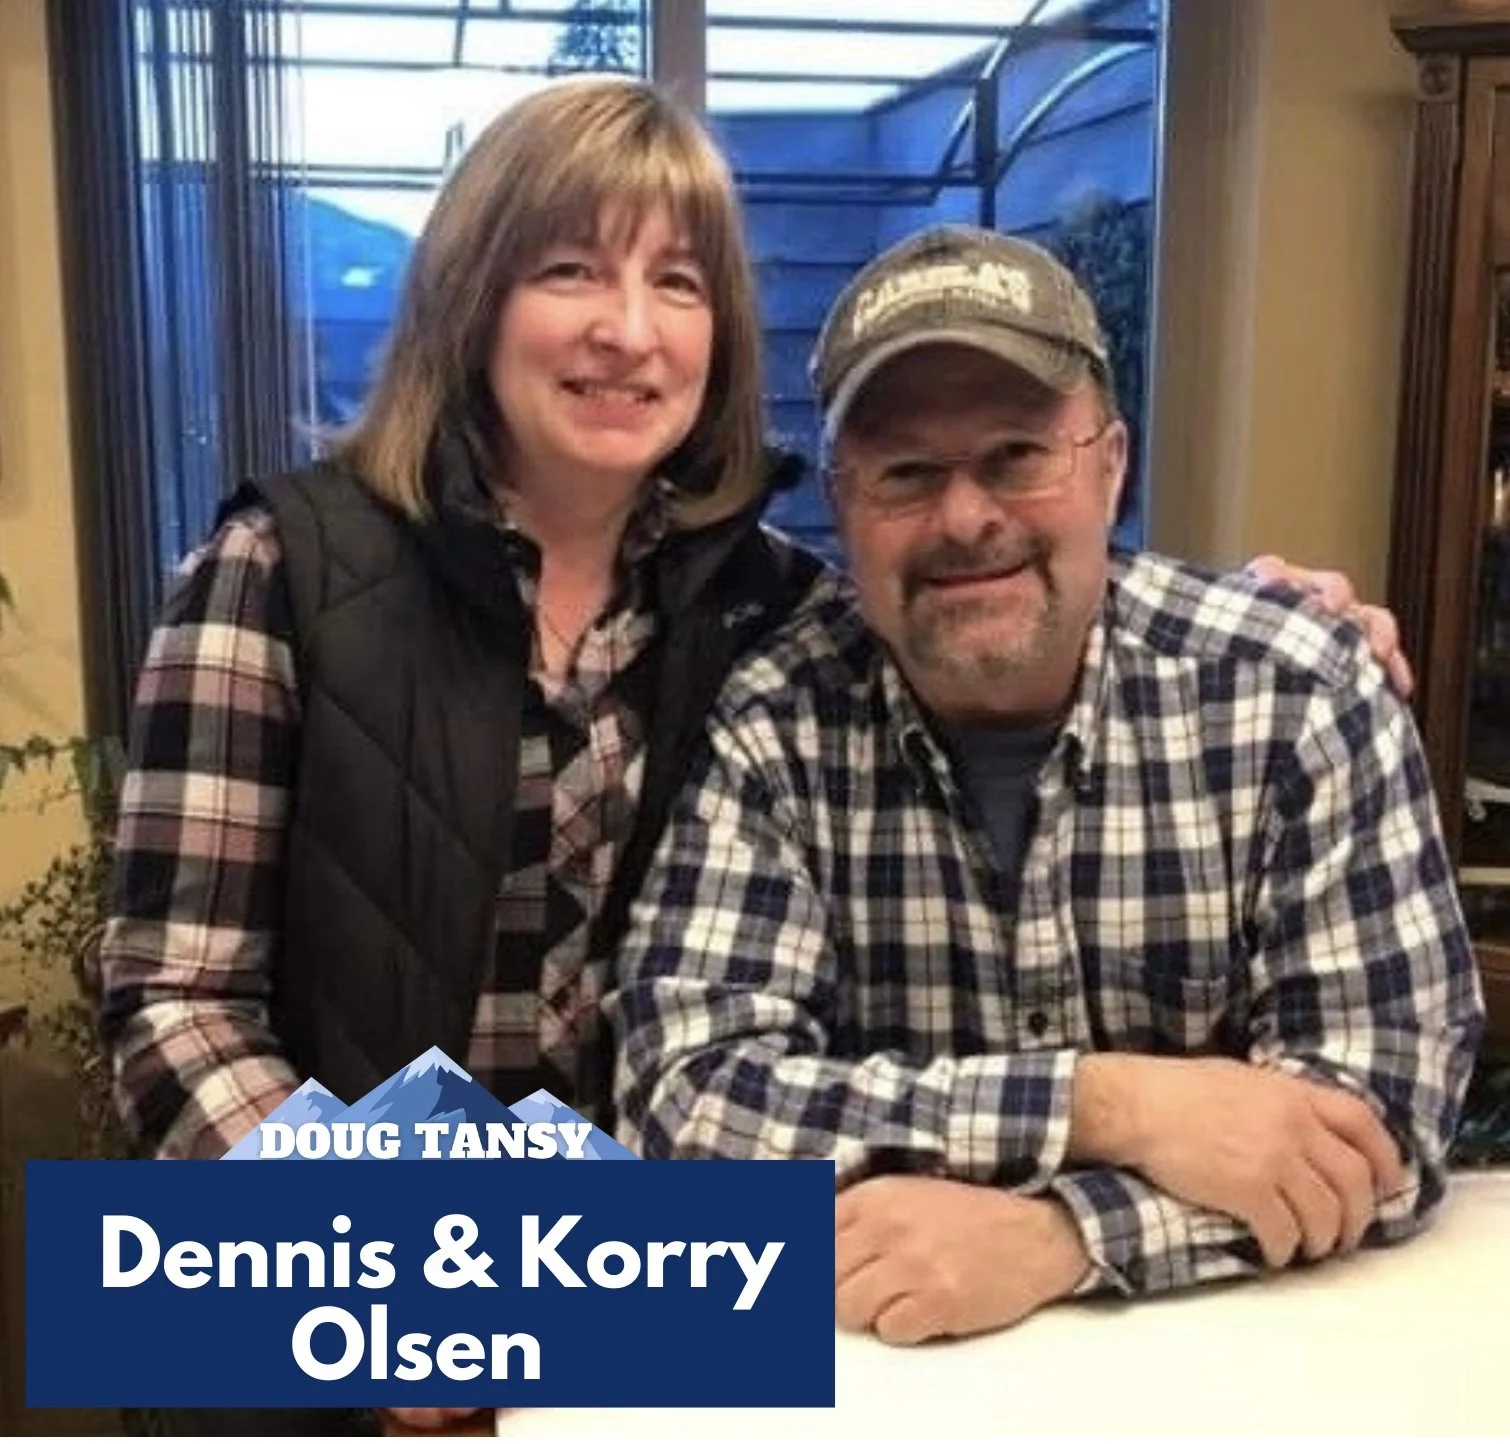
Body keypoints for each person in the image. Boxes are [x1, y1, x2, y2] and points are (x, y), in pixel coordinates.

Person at [98, 75, 1410, 1431]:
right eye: (567, 270)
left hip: (641, 1317)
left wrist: (1292, 629)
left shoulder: (766, 609)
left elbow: (996, 596)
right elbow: (172, 999)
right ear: (472, 300)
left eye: (677, 282)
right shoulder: (283, 568)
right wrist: (389, 1280)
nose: (626, 330)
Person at [607, 223, 1485, 1348]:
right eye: (907, 473)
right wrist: (1109, 1103)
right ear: (841, 500)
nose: (966, 516)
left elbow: (1381, 1120)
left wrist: (1065, 1236)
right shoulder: (774, 719)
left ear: (1110, 466)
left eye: (1019, 454)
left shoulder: (1294, 691)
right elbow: (687, 1107)